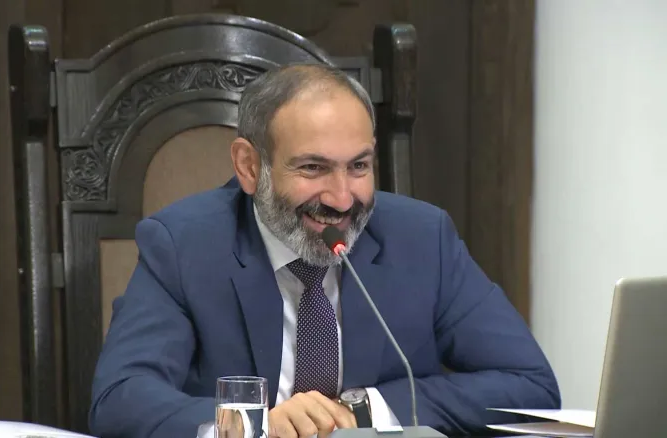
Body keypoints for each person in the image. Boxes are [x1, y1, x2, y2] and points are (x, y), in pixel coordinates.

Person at [88, 64, 561, 438]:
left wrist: (366, 410)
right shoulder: (184, 244)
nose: (341, 199)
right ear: (250, 167)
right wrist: (256, 426)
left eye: (358, 166)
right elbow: (120, 398)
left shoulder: (422, 239)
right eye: (313, 168)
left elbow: (529, 385)